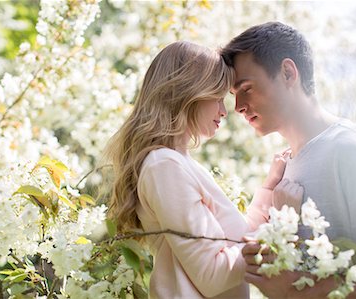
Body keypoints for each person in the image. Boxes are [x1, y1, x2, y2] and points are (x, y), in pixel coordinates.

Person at [102, 41, 303, 298]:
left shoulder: (177, 163)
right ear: (188, 92)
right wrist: (282, 228)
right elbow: (213, 274)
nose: (224, 111)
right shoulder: (164, 166)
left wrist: (269, 186)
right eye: (217, 98)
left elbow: (239, 240)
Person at [221, 21, 356, 298]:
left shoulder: (350, 151)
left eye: (246, 88)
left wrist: (297, 293)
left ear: (287, 72)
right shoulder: (284, 169)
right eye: (234, 96)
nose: (238, 107)